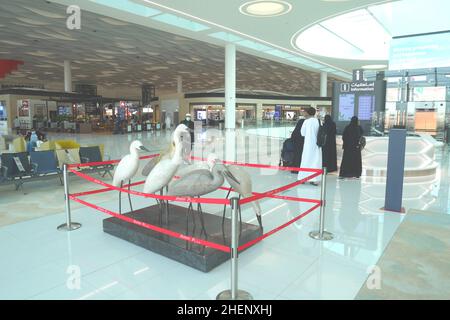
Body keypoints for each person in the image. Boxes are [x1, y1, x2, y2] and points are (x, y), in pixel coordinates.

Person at [298, 107, 322, 186]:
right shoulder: (319, 121)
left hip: (308, 145)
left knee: (306, 160)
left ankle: (303, 178)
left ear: (308, 113)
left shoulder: (306, 122)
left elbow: (302, 133)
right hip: (317, 144)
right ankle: (315, 180)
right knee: (316, 161)